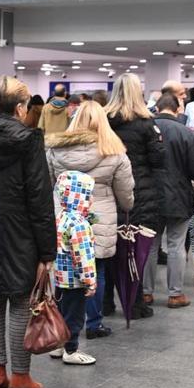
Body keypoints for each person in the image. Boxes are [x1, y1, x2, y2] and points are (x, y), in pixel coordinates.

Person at [0, 76, 56, 388]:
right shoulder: (29, 140)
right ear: (20, 108)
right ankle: (20, 376)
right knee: (20, 300)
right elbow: (39, 197)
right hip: (20, 230)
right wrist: (48, 251)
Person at [45, 101, 134, 338]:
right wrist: (126, 206)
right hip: (99, 218)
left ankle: (63, 322)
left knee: (64, 268)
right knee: (98, 270)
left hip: (62, 218)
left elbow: (49, 184)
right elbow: (126, 193)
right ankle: (93, 324)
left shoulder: (55, 150)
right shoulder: (115, 152)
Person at [105, 73, 164, 316]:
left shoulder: (104, 120)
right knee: (135, 249)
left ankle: (104, 302)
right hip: (139, 192)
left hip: (107, 191)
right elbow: (159, 159)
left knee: (107, 250)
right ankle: (135, 302)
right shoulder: (146, 123)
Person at [150, 94, 194, 307]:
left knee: (151, 245)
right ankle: (175, 294)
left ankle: (146, 293)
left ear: (157, 108)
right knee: (176, 246)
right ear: (177, 110)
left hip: (151, 195)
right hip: (179, 196)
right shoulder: (186, 132)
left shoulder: (147, 130)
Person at [48, 171, 98, 365]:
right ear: (79, 196)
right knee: (75, 317)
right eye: (88, 194)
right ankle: (71, 349)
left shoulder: (61, 217)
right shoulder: (79, 224)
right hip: (75, 282)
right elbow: (83, 256)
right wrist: (90, 281)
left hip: (60, 278)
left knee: (61, 313)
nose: (91, 198)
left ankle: (59, 345)